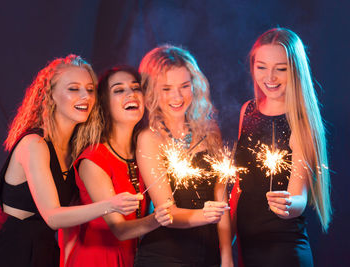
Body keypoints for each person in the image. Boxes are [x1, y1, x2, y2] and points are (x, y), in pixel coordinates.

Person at [0, 55, 142, 267]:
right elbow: (53, 216)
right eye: (74, 89)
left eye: (90, 89)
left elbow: (69, 223)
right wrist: (110, 205)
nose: (85, 96)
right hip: (6, 252)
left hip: (45, 253)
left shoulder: (76, 149)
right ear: (51, 96)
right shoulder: (34, 144)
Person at [231, 28, 332, 266]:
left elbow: (299, 198)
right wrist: (228, 237)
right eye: (262, 66)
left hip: (283, 250)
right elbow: (239, 182)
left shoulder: (301, 121)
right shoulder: (248, 111)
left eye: (281, 69)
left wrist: (287, 204)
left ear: (295, 70)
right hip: (247, 244)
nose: (270, 77)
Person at [134, 45, 233, 267]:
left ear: (194, 86)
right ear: (151, 91)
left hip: (208, 254)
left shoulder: (210, 132)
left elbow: (221, 197)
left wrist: (226, 256)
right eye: (166, 89)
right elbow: (166, 212)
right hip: (165, 256)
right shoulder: (149, 138)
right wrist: (205, 215)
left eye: (184, 86)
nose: (177, 96)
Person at [66, 66, 172, 267]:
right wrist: (159, 218)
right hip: (97, 261)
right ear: (104, 104)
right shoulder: (94, 158)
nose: (131, 94)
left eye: (135, 88)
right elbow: (120, 229)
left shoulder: (144, 151)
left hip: (135, 259)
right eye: (119, 90)